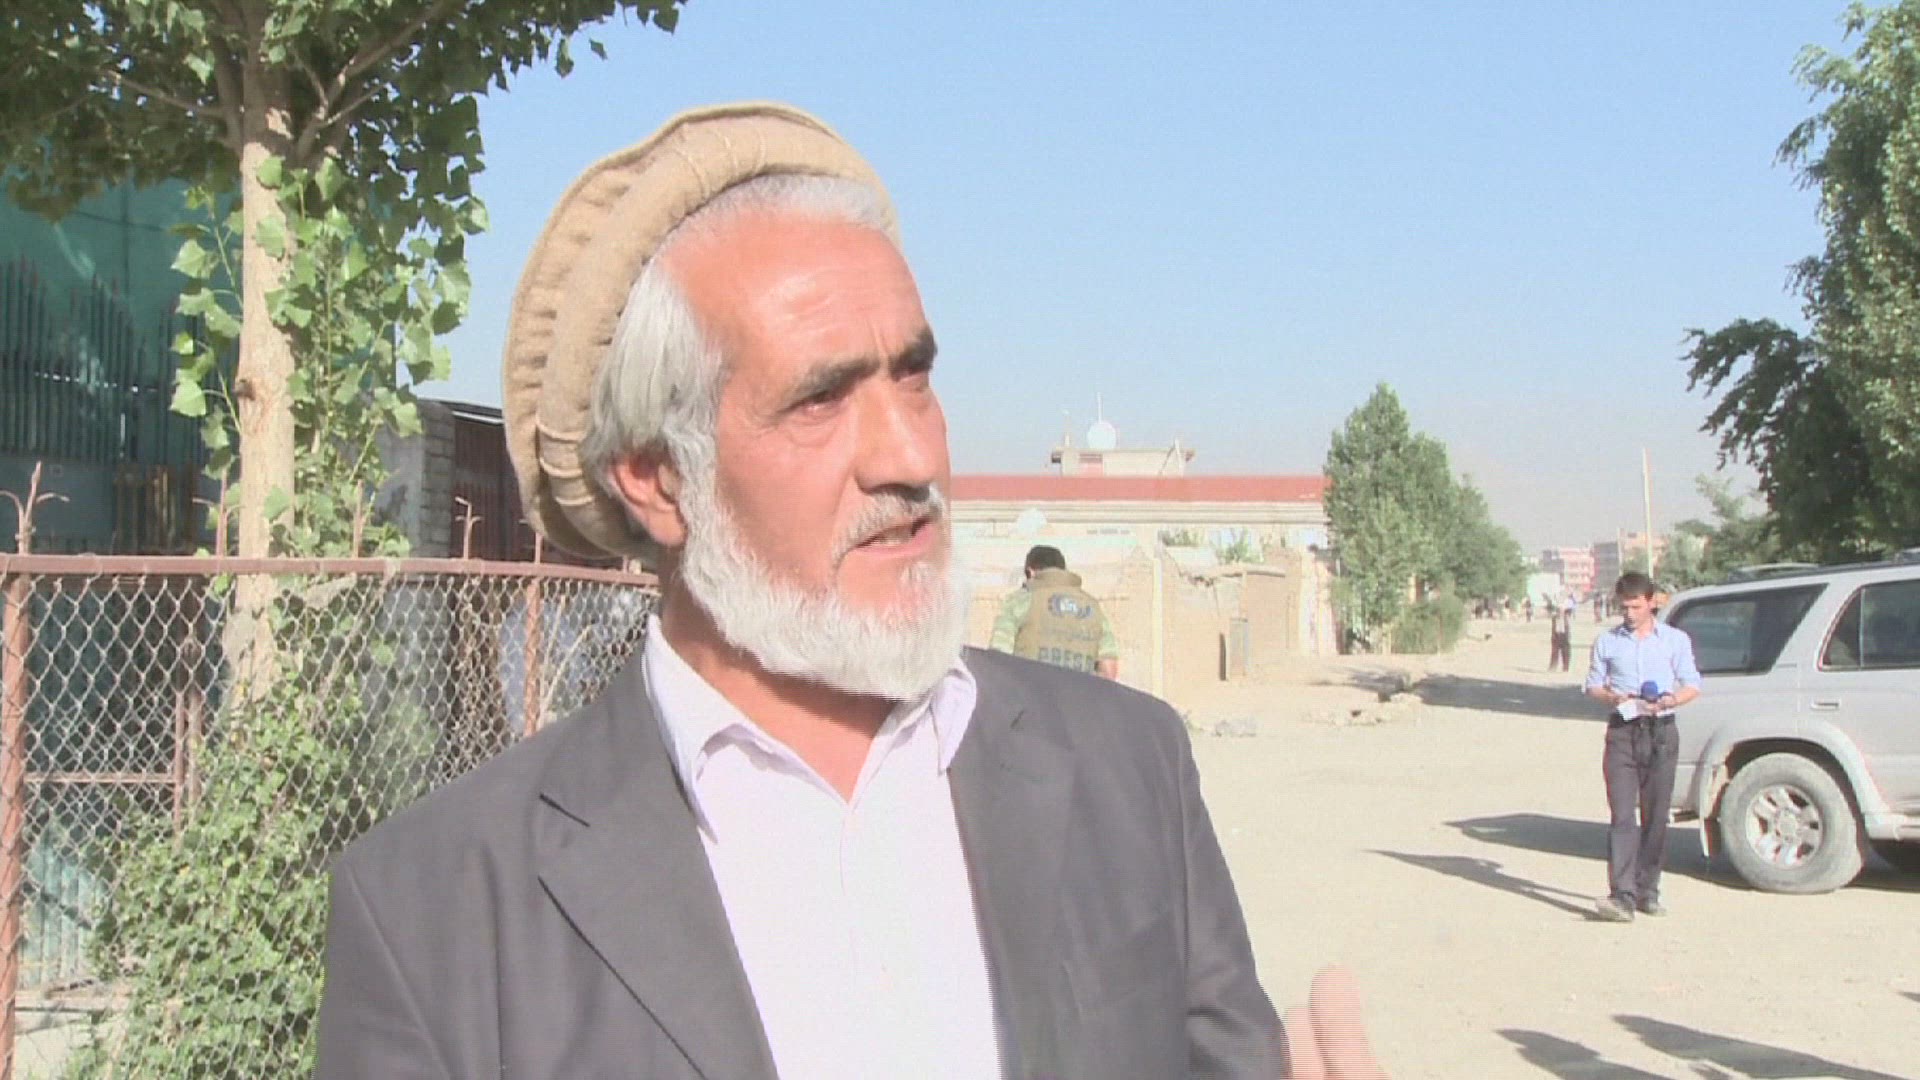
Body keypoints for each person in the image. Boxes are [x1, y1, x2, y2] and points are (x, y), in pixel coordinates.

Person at [314, 103, 1385, 1079]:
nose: (910, 455)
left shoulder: (1126, 767)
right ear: (658, 479)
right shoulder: (438, 913)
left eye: (913, 376)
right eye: (820, 400)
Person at [1583, 572, 1703, 922]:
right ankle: (1622, 895)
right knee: (1622, 815)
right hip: (1623, 732)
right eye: (1624, 607)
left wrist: (1670, 700)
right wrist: (1613, 697)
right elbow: (1593, 685)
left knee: (1656, 817)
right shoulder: (1607, 642)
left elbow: (1692, 684)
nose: (1630, 614)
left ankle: (1647, 889)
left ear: (1652, 602)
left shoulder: (1675, 640)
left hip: (1660, 732)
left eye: (1636, 607)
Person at [989, 544, 1120, 679]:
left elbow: (998, 660)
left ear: (1030, 572)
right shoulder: (1093, 607)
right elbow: (1109, 671)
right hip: (1079, 691)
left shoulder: (1018, 602)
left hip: (1029, 690)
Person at [1547, 599, 1572, 673]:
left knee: (1566, 652)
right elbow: (1549, 609)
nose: (1559, 611)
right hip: (1556, 635)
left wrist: (1568, 636)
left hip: (1564, 635)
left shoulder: (1566, 617)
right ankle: (1553, 667)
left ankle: (1565, 667)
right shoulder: (1554, 617)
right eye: (1558, 610)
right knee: (1554, 652)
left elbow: (1568, 627)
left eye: (1561, 610)